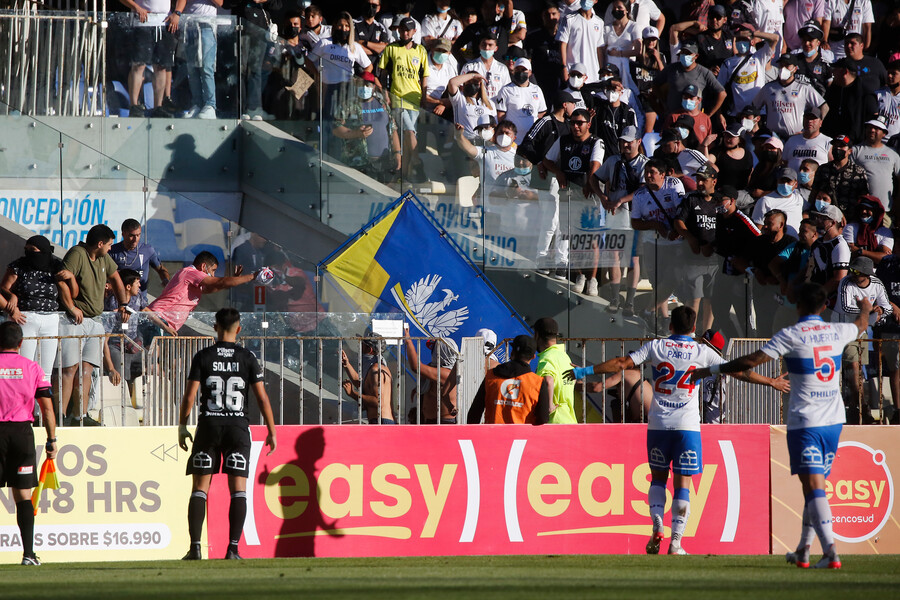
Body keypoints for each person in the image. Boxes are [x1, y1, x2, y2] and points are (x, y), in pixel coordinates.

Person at [567, 305, 786, 555]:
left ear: (670, 326)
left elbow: (621, 362)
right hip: (687, 427)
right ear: (694, 329)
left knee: (658, 479)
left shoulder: (656, 347)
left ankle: (657, 524)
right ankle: (676, 542)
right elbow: (736, 370)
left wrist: (584, 370)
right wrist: (771, 381)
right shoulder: (701, 351)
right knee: (683, 483)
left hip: (658, 425)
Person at [691, 283, 873, 569]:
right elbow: (862, 324)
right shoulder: (838, 331)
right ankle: (803, 551)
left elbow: (752, 360)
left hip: (806, 422)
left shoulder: (791, 334)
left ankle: (830, 554)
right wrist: (865, 308)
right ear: (824, 307)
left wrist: (712, 368)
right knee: (814, 487)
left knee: (814, 487)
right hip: (834, 421)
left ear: (798, 305)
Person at [178, 308, 276, 561]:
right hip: (237, 428)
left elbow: (190, 396)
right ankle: (233, 549)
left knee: (200, 488)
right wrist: (271, 431)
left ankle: (196, 548)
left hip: (209, 425)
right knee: (239, 490)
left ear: (215, 327)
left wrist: (182, 425)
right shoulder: (247, 357)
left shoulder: (203, 356)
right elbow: (262, 397)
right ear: (239, 329)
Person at [58, 224, 130, 427]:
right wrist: (72, 307)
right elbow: (61, 280)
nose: (110, 249)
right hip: (74, 320)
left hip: (95, 321)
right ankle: (62, 416)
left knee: (87, 370)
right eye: (109, 245)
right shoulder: (77, 254)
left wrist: (123, 304)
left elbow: (115, 277)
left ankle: (80, 415)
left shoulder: (103, 258)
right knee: (69, 369)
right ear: (99, 244)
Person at [0, 321, 56, 566]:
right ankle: (28, 555)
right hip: (22, 433)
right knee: (23, 496)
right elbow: (47, 408)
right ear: (21, 343)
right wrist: (52, 439)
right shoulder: (33, 368)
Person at [1, 236, 76, 382]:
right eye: (27, 249)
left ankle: (41, 405)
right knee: (23, 368)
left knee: (45, 372)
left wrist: (71, 278)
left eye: (33, 250)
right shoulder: (19, 266)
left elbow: (72, 293)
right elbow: (4, 287)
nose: (29, 253)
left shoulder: (55, 266)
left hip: (50, 319)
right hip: (25, 318)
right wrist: (11, 296)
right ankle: (24, 403)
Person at [831, 256, 891, 423]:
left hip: (862, 331)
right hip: (844, 329)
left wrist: (878, 312)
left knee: (857, 373)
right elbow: (845, 307)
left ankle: (857, 407)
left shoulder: (877, 284)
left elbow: (886, 307)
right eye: (852, 270)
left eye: (857, 271)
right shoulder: (846, 283)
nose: (852, 273)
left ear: (866, 274)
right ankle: (859, 406)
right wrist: (870, 309)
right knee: (853, 367)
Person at [148, 251, 262, 333]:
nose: (213, 275)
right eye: (213, 270)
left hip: (167, 322)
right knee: (154, 360)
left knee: (165, 360)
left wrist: (234, 280)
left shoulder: (192, 280)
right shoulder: (190, 272)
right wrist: (252, 276)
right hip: (158, 318)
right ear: (203, 266)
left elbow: (214, 287)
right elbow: (219, 282)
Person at [379, 17, 429, 182]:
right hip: (397, 96)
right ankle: (417, 161)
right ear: (398, 31)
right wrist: (385, 93)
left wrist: (424, 95)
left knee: (409, 137)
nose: (405, 32)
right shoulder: (391, 48)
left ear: (414, 32)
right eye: (402, 29)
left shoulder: (421, 50)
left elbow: (424, 75)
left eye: (408, 29)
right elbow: (383, 73)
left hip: (414, 98)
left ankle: (404, 175)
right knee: (409, 131)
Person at [674, 163, 720, 333]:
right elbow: (678, 222)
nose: (699, 183)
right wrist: (690, 238)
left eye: (704, 180)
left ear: (713, 181)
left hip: (715, 260)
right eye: (698, 180)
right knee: (694, 298)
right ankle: (689, 332)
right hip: (693, 259)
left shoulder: (720, 201)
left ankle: (707, 333)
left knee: (711, 299)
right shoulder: (691, 198)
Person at [467, 334, 550, 424]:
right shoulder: (538, 383)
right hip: (523, 437)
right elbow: (543, 419)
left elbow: (474, 413)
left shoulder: (491, 376)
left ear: (512, 352)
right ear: (533, 357)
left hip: (492, 435)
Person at [120, 0, 179, 117]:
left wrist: (177, 13)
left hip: (164, 23)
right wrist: (136, 7)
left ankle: (158, 106)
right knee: (138, 65)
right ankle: (134, 105)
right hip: (142, 22)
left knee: (161, 67)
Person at [752, 54, 828, 140]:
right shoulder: (768, 88)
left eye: (787, 65)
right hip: (773, 138)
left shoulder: (804, 88)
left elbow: (824, 107)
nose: (783, 68)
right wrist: (755, 126)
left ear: (795, 69)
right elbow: (754, 107)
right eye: (781, 65)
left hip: (797, 136)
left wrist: (815, 127)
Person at [403, 329, 459, 423]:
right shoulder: (438, 370)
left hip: (443, 423)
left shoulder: (447, 373)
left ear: (442, 353)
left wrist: (408, 340)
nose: (432, 353)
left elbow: (416, 367)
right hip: (432, 421)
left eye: (434, 350)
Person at [109, 218, 170, 304]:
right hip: (118, 301)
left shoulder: (147, 250)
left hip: (140, 303)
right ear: (123, 234)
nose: (135, 239)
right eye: (132, 236)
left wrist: (166, 280)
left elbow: (161, 269)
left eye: (138, 235)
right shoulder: (112, 251)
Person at [809, 133, 870, 214]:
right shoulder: (823, 169)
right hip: (825, 216)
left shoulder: (858, 172)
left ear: (849, 151)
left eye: (841, 146)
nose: (838, 148)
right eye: (835, 146)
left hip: (850, 217)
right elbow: (814, 192)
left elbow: (864, 197)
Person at [341, 333, 395, 424]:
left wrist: (352, 393)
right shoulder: (375, 367)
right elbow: (364, 386)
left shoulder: (376, 370)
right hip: (379, 421)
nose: (360, 347)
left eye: (362, 345)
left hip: (381, 421)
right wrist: (347, 365)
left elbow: (378, 402)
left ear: (369, 349)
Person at [179, 0, 219, 119]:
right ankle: (197, 103)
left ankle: (210, 105)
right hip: (190, 24)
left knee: (206, 67)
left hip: (207, 25)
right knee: (192, 69)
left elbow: (221, 2)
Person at [851, 116, 900, 212]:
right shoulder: (855, 150)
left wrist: (897, 202)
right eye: (869, 127)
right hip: (860, 208)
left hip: (885, 208)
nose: (872, 130)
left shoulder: (893, 153)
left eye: (876, 128)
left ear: (884, 133)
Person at [533, 317, 577, 424]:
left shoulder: (547, 357)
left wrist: (548, 406)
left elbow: (548, 380)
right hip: (569, 419)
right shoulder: (564, 357)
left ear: (537, 335)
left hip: (554, 420)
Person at [496, 58, 547, 145]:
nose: (520, 72)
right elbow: (501, 116)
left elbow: (542, 113)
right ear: (513, 71)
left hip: (531, 140)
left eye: (523, 70)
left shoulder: (537, 89)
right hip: (512, 141)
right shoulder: (505, 90)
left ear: (530, 72)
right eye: (518, 69)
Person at [557, 0, 605, 87]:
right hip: (573, 72)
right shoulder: (569, 19)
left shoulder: (599, 22)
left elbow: (599, 48)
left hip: (592, 73)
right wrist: (563, 67)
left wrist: (601, 70)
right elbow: (563, 44)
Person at [843, 194, 893, 265]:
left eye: (867, 209)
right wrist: (876, 254)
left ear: (875, 212)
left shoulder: (884, 232)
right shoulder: (850, 228)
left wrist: (860, 251)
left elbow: (885, 259)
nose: (863, 212)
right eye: (861, 209)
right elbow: (850, 253)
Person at [783, 108, 832, 173]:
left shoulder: (828, 142)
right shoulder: (791, 140)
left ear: (820, 123)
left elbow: (832, 164)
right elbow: (784, 162)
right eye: (807, 118)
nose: (810, 121)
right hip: (793, 181)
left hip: (817, 182)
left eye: (813, 118)